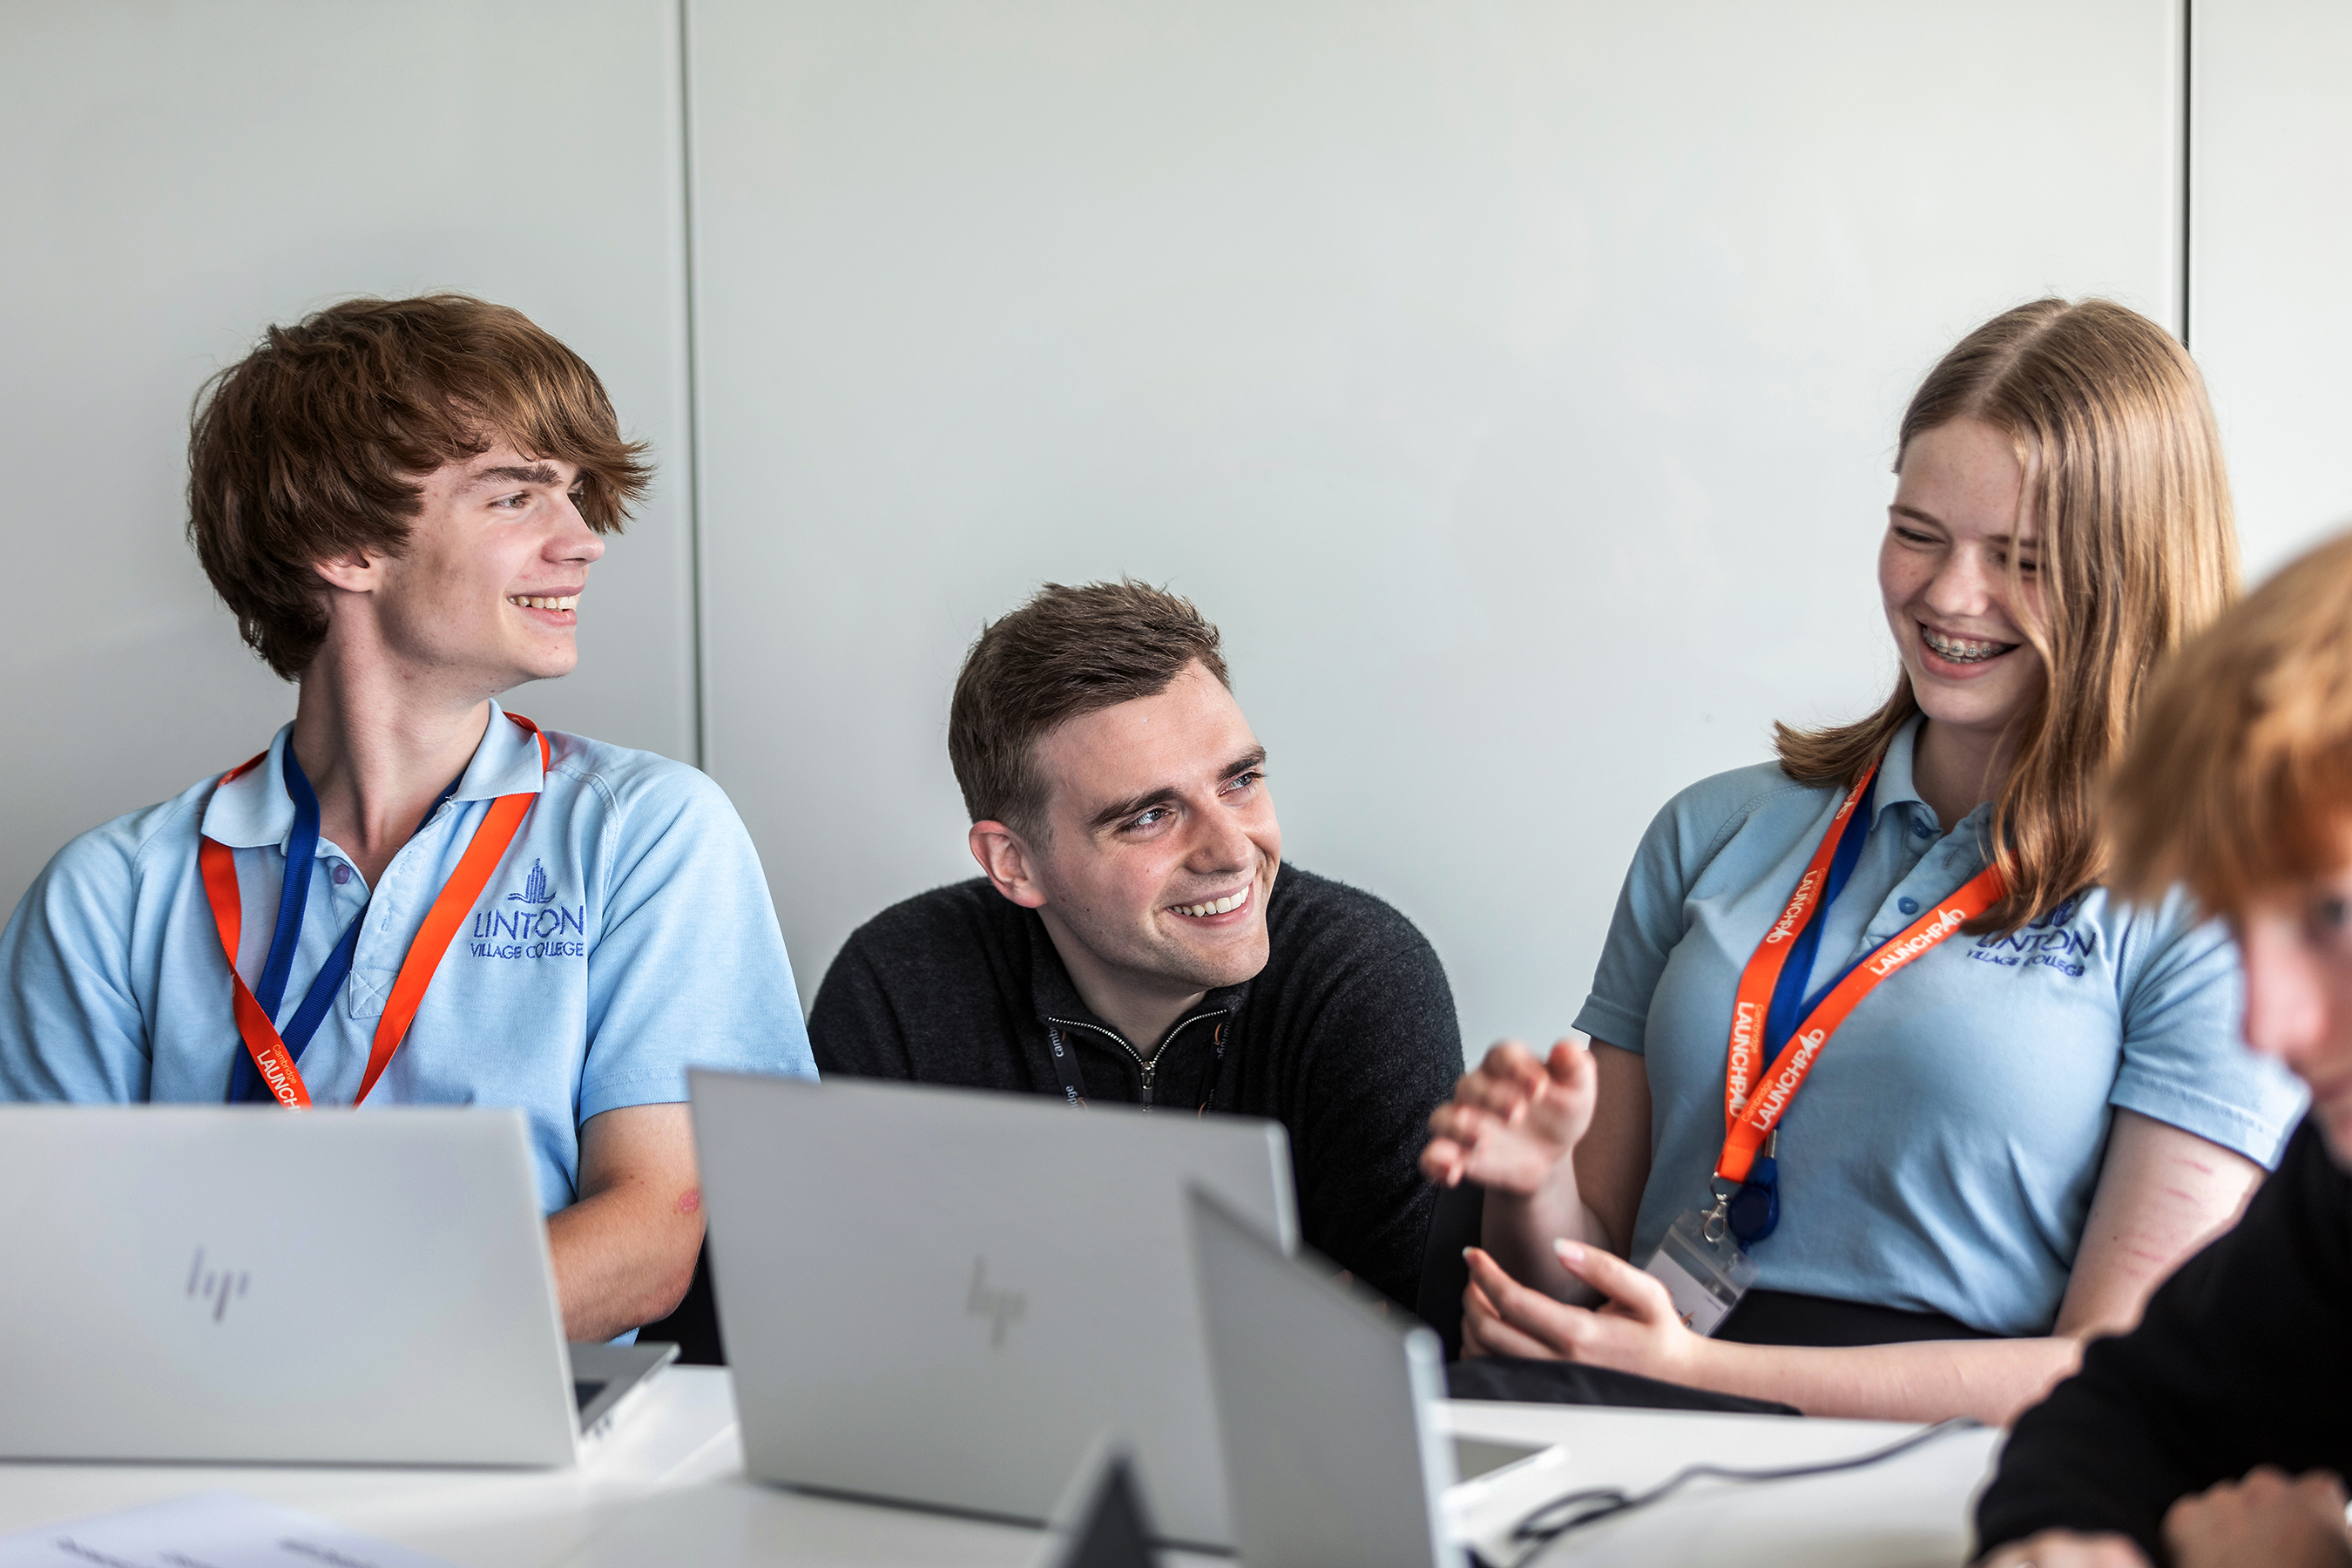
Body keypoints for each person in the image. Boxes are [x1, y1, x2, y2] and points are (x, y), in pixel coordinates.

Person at [1418, 298, 2306, 1422]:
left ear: (2135, 575)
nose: (1948, 595)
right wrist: (1532, 1180)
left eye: (2022, 559)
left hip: (1936, 1477)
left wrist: (1704, 1377)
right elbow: (1575, 1289)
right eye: (1918, 532)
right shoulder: (1714, 829)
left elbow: (2121, 1371)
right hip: (1631, 1439)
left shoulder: (2213, 902)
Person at [0, 294, 814, 1342]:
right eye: (516, 496)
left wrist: (321, 1354)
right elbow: (47, 1263)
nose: (583, 542)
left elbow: (652, 1237)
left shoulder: (645, 834)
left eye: (576, 495)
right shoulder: (108, 895)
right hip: (186, 1425)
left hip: (519, 1424)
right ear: (345, 544)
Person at [808, 579, 1462, 1310]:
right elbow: (845, 1320)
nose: (1232, 851)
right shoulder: (897, 990)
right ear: (1014, 863)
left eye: (1240, 781)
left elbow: (1418, 1342)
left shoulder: (1363, 979)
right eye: (1149, 816)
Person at [1975, 531, 2352, 1568]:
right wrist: (2072, 1542)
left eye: (2332, 918)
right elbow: (2124, 1412)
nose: (2268, 1029)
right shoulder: (2337, 1191)